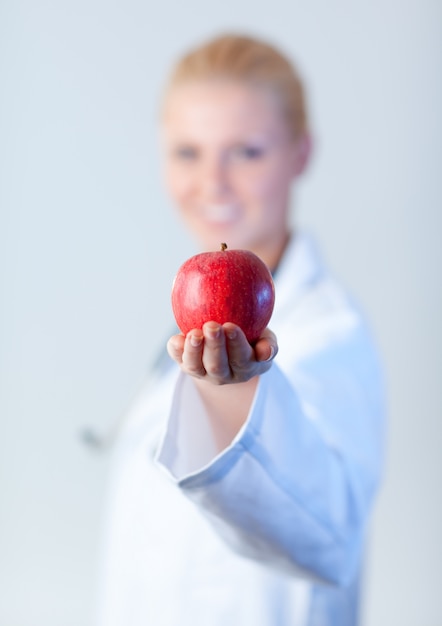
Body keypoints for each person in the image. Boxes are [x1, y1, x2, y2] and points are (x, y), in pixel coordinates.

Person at [96, 33, 385, 626]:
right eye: (187, 152)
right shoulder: (184, 328)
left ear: (300, 154)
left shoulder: (331, 334)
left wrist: (235, 393)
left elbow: (326, 537)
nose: (212, 182)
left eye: (246, 152)